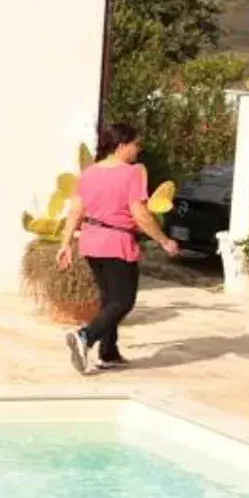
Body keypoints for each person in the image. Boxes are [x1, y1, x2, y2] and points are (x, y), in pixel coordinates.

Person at [58, 122, 180, 374]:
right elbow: (141, 215)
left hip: (91, 242)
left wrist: (65, 243)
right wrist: (164, 240)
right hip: (117, 243)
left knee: (109, 299)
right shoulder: (132, 173)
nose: (138, 150)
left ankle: (108, 352)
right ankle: (86, 336)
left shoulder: (90, 173)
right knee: (124, 301)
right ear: (122, 144)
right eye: (136, 144)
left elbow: (76, 211)